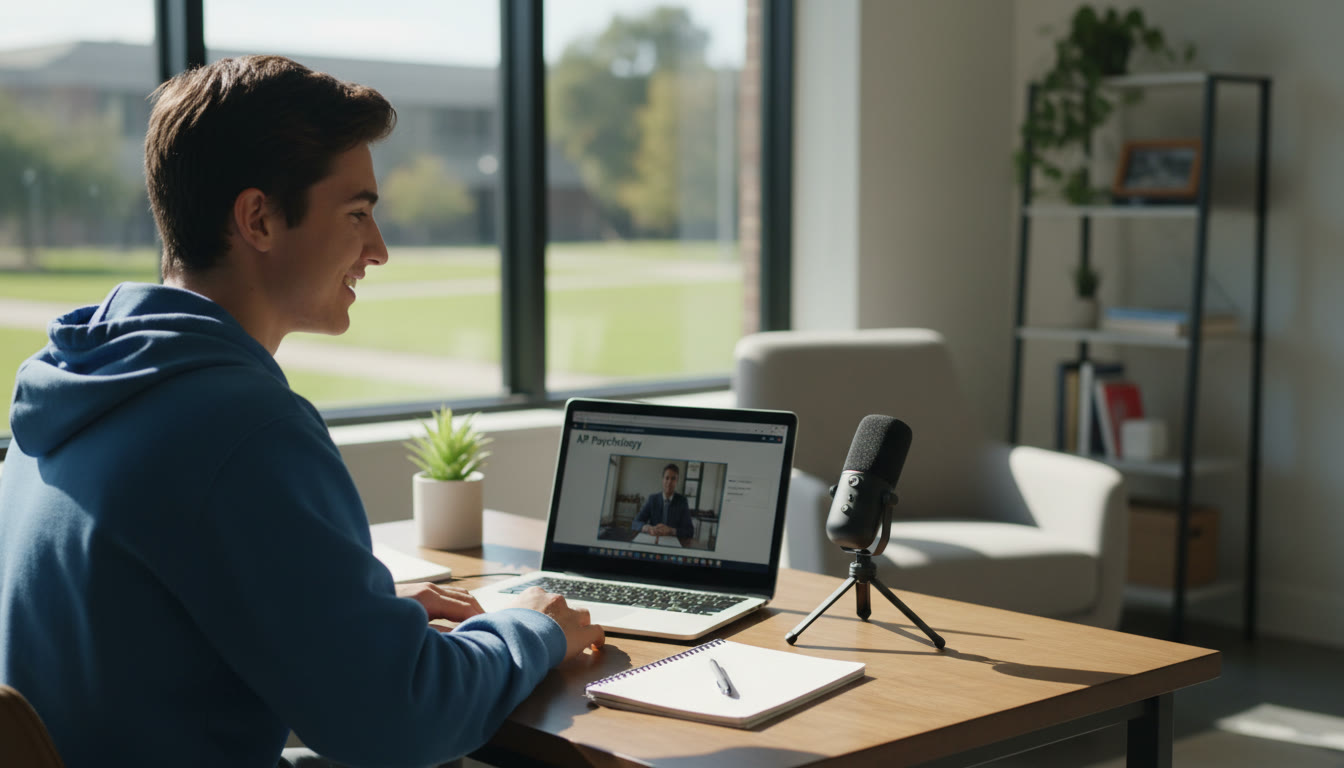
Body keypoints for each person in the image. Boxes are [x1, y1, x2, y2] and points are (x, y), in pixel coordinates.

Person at [0, 55, 603, 768]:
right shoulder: (241, 428)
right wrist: (527, 629)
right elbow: (401, 722)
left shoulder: (79, 384)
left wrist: (369, 617)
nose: (377, 250)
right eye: (357, 214)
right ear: (257, 218)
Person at [631, 463, 695, 540]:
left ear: (676, 481)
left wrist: (671, 531)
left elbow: (690, 531)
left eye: (673, 479)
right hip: (653, 540)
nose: (669, 482)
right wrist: (648, 528)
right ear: (662, 480)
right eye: (667, 478)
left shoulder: (682, 501)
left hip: (672, 543)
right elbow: (635, 523)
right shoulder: (652, 499)